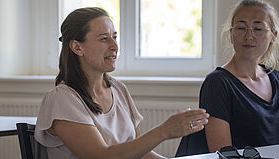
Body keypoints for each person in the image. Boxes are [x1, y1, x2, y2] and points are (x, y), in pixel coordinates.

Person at [34, 7, 209, 159]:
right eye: (104, 39)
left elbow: (139, 152)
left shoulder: (118, 89)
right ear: (77, 47)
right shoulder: (62, 99)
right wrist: (164, 131)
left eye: (114, 37)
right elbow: (102, 156)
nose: (114, 46)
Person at [199, 0, 279, 153]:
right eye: (241, 28)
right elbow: (223, 153)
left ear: (273, 36)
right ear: (231, 34)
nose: (249, 35)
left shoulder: (276, 79)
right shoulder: (217, 83)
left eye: (258, 28)